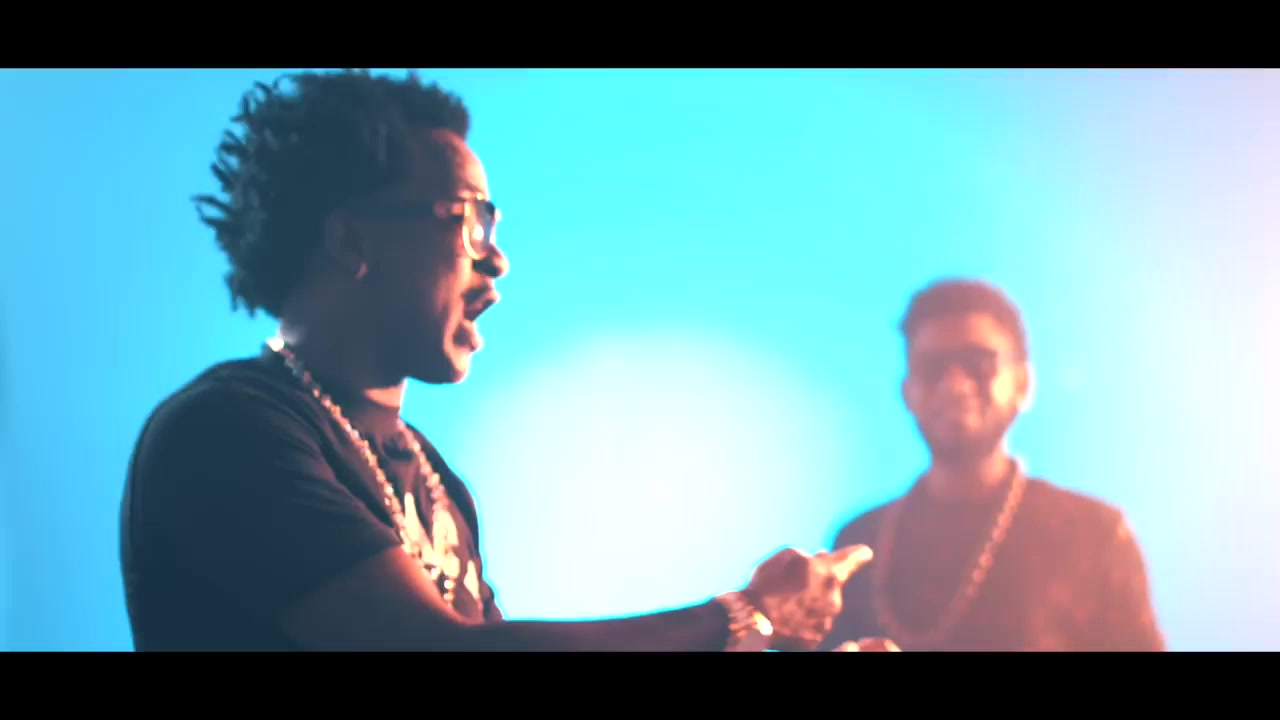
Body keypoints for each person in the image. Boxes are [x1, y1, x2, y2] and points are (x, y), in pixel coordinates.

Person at [118, 69, 874, 651]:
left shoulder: (435, 480)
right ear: (352, 241)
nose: (497, 259)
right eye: (469, 220)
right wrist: (741, 617)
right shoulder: (229, 433)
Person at [820, 279, 1166, 652]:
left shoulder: (1095, 536)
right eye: (932, 368)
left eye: (978, 364)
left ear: (1023, 384)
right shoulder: (859, 545)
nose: (955, 385)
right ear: (907, 392)